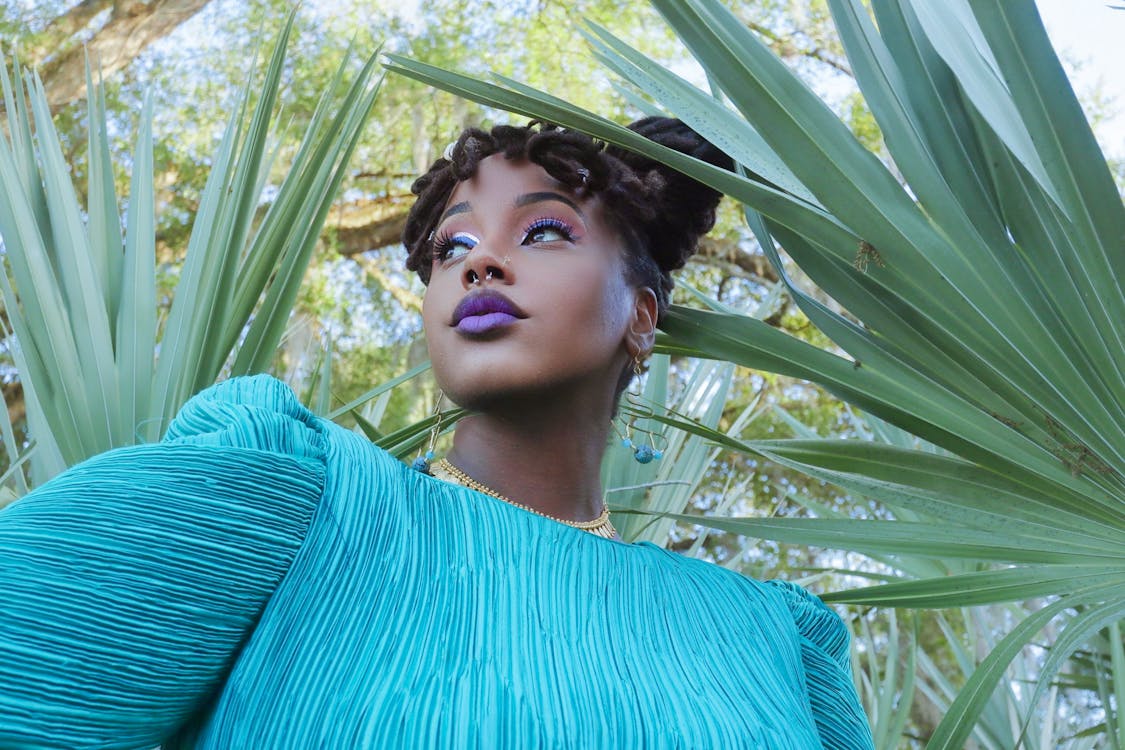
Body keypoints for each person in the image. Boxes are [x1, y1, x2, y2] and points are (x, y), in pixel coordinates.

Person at [0, 118, 873, 748]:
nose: (480, 263)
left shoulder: (776, 638)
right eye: (450, 250)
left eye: (541, 231)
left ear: (640, 316)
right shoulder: (296, 497)